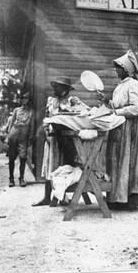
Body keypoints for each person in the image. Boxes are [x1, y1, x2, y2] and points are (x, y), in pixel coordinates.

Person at [98, 50, 138, 209]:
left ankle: (128, 199)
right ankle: (115, 197)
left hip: (130, 128)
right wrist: (107, 101)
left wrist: (116, 112)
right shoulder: (120, 86)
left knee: (128, 160)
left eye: (118, 68)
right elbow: (118, 105)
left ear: (126, 69)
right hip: (118, 126)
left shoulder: (134, 85)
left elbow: (135, 108)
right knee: (115, 160)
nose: (116, 71)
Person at [33, 77, 88, 206]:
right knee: (50, 166)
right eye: (55, 87)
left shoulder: (72, 101)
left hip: (67, 139)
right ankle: (47, 197)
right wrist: (46, 132)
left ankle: (62, 196)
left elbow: (85, 111)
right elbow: (46, 118)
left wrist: (73, 109)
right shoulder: (51, 101)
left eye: (58, 87)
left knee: (64, 168)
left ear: (66, 89)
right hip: (52, 138)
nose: (55, 90)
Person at [7, 93, 33, 187]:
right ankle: (11, 179)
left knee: (23, 157)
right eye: (23, 99)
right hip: (14, 134)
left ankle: (21, 178)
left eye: (26, 99)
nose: (24, 101)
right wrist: (8, 135)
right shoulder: (16, 110)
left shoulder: (31, 112)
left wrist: (30, 137)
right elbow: (12, 122)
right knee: (11, 157)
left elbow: (31, 125)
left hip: (24, 136)